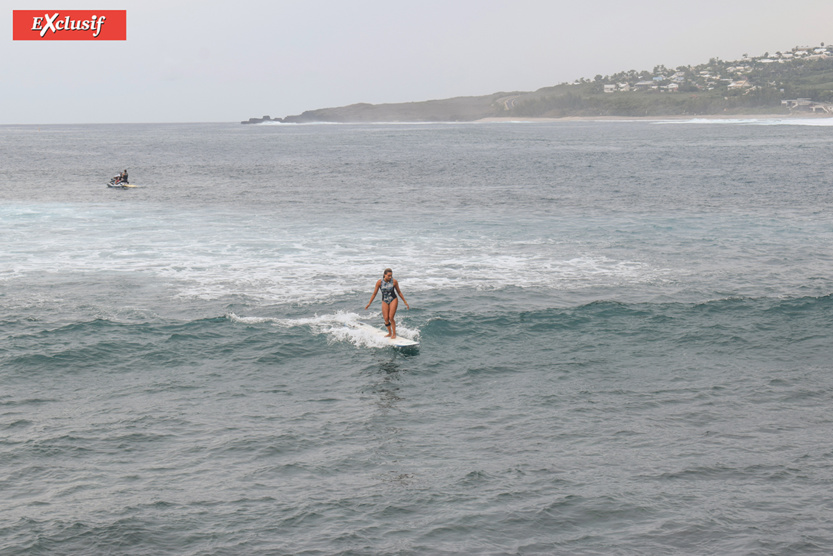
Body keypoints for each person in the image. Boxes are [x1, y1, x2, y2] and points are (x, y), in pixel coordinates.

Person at [365, 268, 409, 339]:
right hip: (384, 300)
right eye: (389, 275)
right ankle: (389, 333)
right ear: (384, 275)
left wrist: (405, 302)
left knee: (391, 317)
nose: (390, 277)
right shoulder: (379, 282)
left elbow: (399, 292)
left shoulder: (394, 282)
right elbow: (374, 294)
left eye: (391, 275)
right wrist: (369, 303)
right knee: (386, 318)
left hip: (393, 299)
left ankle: (394, 334)